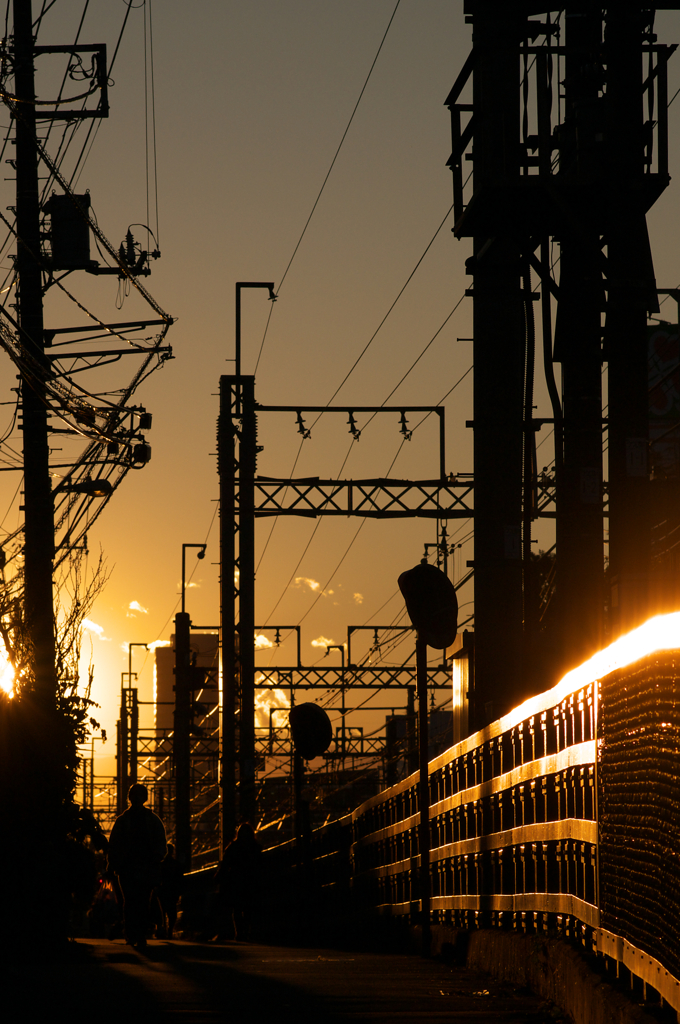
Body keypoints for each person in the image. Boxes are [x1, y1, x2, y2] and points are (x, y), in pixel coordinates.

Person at [107, 783, 167, 949]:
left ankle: (133, 933)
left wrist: (112, 864)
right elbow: (161, 843)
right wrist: (157, 857)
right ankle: (138, 934)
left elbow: (114, 845)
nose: (137, 799)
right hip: (141, 867)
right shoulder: (153, 821)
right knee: (139, 901)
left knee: (132, 901)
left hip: (130, 867)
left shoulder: (123, 821)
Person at [214, 821, 262, 940]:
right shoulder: (255, 847)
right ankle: (246, 931)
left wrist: (218, 878)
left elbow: (225, 865)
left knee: (237, 908)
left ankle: (240, 932)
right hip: (250, 881)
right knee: (248, 908)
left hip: (236, 882)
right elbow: (260, 864)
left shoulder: (233, 847)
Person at [157, 843, 184, 938]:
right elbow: (180, 879)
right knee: (172, 912)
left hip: (162, 890)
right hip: (172, 891)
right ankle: (170, 930)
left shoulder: (160, 865)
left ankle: (162, 929)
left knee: (162, 912)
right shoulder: (176, 865)